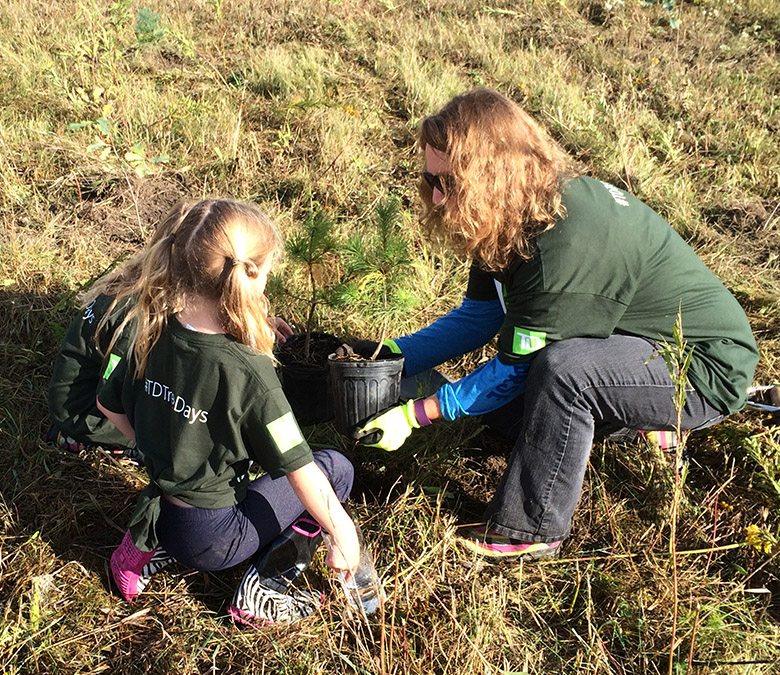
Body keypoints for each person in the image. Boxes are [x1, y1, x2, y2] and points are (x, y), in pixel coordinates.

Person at [355, 88, 759, 562]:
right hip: (631, 343)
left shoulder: (560, 248)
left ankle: (530, 529)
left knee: (563, 372)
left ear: (491, 178)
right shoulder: (511, 215)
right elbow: (478, 316)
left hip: (702, 368)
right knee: (506, 415)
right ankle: (641, 421)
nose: (436, 196)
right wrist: (391, 357)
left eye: (449, 184)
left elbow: (514, 370)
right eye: (429, 178)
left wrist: (417, 413)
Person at [95, 198, 361, 624]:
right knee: (336, 467)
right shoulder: (249, 371)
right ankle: (264, 587)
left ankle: (150, 546)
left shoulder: (153, 327)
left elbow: (108, 406)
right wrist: (342, 531)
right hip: (217, 540)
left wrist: (167, 447)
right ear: (251, 274)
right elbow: (300, 468)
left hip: (164, 507)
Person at [47, 199, 295, 462]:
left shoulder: (149, 288)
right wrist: (158, 448)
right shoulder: (135, 317)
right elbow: (109, 393)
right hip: (86, 417)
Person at [46, 200, 190, 462]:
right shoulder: (134, 319)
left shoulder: (144, 284)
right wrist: (153, 446)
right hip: (84, 415)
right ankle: (99, 444)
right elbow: (107, 400)